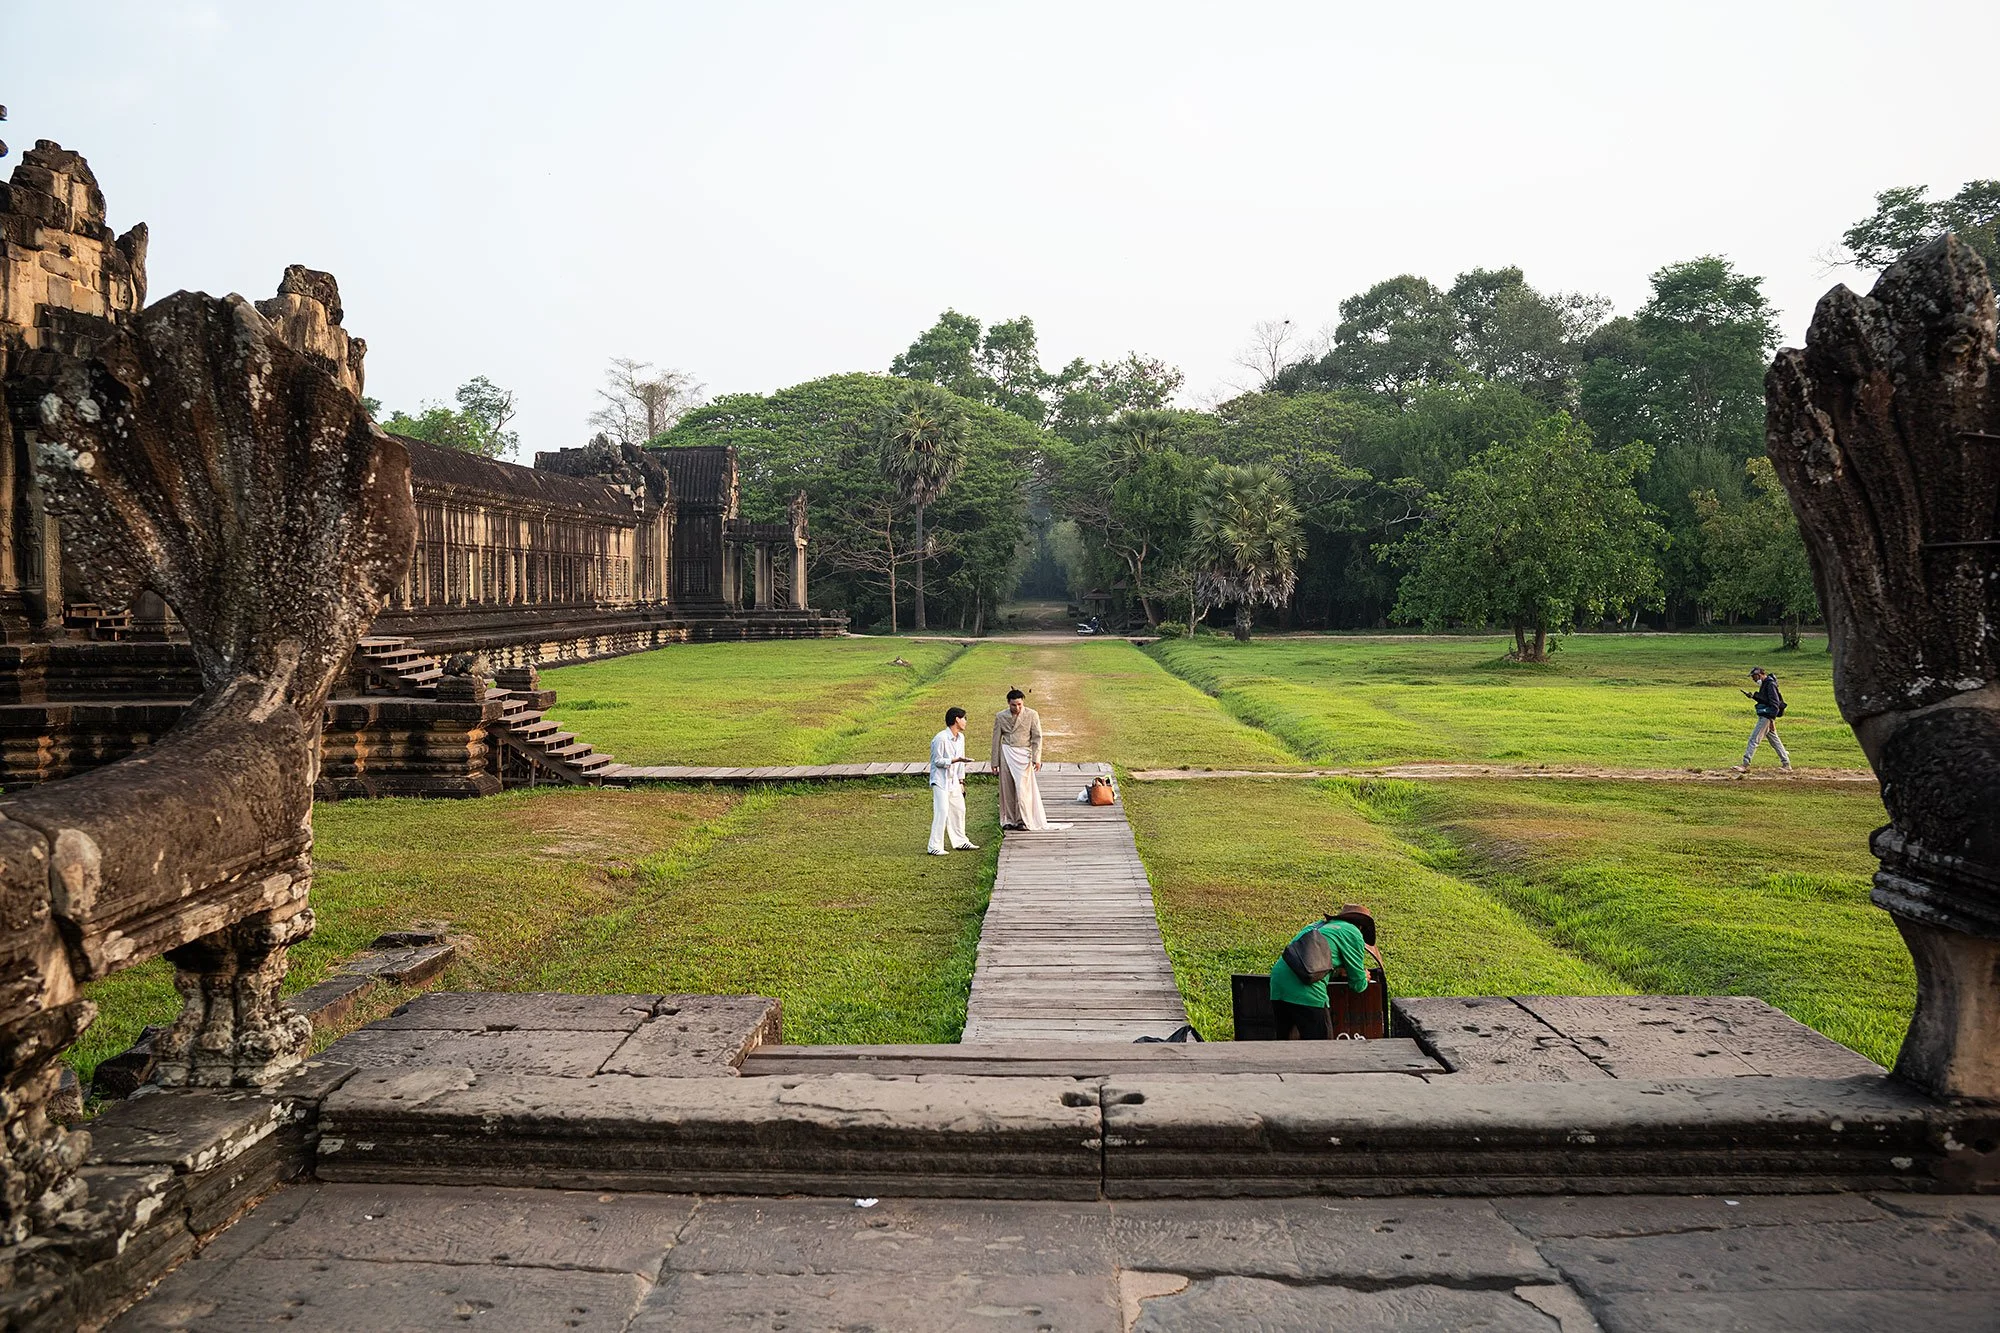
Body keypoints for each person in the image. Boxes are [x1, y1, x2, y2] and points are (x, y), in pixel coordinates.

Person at [1268, 908, 1374, 1040]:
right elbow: (1357, 984)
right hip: (1307, 992)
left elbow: (1308, 960)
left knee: (1285, 1046)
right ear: (1361, 927)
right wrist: (1364, 977)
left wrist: (1337, 971)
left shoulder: (1317, 925)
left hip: (1278, 984)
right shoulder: (1353, 931)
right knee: (1322, 1047)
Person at [992, 688, 1067, 832]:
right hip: (1007, 752)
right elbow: (996, 739)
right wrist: (994, 762)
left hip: (1024, 754)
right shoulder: (1000, 716)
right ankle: (1009, 819)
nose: (1017, 708)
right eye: (1014, 705)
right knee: (1007, 787)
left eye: (1019, 704)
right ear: (1008, 703)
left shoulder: (1032, 715)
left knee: (1022, 788)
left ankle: (1023, 819)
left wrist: (1036, 758)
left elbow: (1037, 737)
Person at [927, 706, 978, 856]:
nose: (966, 721)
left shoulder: (961, 738)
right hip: (940, 780)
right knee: (942, 811)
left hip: (954, 780)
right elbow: (937, 761)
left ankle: (960, 841)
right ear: (957, 719)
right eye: (964, 718)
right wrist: (955, 760)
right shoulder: (941, 738)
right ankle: (934, 846)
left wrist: (961, 782)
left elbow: (961, 763)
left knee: (959, 809)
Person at [1731, 666, 1792, 774]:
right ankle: (1786, 764)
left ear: (1759, 675)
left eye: (1754, 677)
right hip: (1768, 716)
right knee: (1775, 741)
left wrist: (1771, 720)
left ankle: (1745, 765)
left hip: (1767, 717)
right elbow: (1766, 700)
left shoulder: (1770, 684)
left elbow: (1775, 704)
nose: (1753, 679)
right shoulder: (1767, 683)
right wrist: (1753, 696)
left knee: (1754, 739)